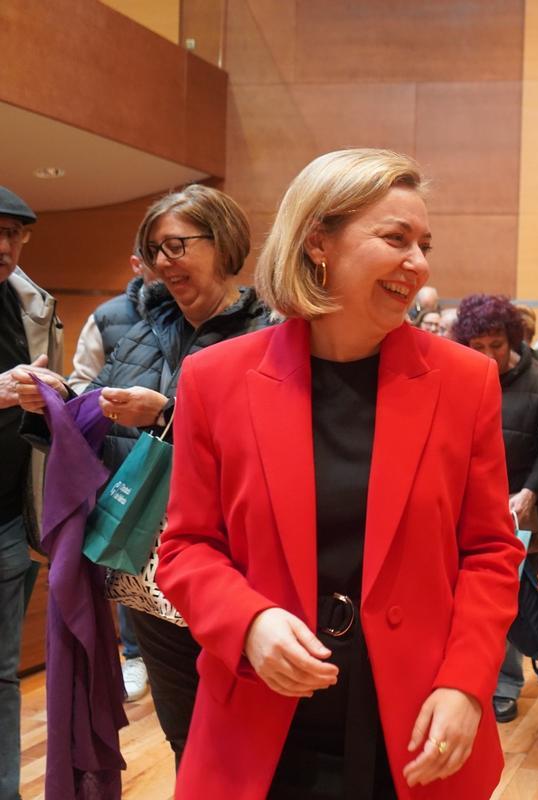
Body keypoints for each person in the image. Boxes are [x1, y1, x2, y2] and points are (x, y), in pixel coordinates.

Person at [156, 149, 523, 799]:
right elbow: (186, 548)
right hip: (264, 714)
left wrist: (467, 682)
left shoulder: (466, 383)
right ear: (318, 242)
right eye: (396, 238)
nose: (419, 263)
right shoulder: (215, 380)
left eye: (425, 244)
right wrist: (248, 624)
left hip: (417, 721)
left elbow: (491, 551)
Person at [20, 184, 273, 768]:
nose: (163, 262)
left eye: (178, 245)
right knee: (183, 731)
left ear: (224, 242)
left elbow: (270, 451)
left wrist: (164, 413)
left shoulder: (269, 332)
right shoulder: (137, 329)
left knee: (247, 728)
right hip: (146, 560)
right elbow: (105, 433)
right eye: (154, 249)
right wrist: (59, 404)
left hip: (235, 562)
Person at [454, 293, 538, 725]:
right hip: (466, 503)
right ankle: (466, 677)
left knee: (507, 600)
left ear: (511, 338)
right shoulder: (459, 376)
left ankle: (505, 685)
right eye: (477, 347)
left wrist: (530, 491)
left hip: (520, 506)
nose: (488, 355)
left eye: (495, 345)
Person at [0, 186, 68, 800]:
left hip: (8, 521)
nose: (4, 245)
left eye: (14, 234)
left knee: (1, 674)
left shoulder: (33, 307)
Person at [65, 249, 152, 703]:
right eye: (157, 253)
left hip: (179, 458)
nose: (168, 265)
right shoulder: (108, 316)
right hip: (122, 458)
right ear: (137, 262)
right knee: (122, 559)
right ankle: (133, 655)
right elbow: (81, 381)